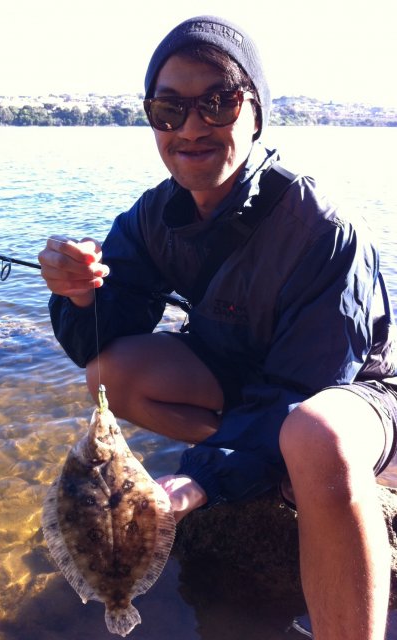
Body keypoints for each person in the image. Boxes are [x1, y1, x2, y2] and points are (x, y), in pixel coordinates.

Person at [38, 15, 397, 640]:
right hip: (245, 376)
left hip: (354, 396)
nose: (192, 125)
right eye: (168, 108)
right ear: (153, 122)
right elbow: (107, 325)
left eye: (218, 100)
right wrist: (78, 294)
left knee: (312, 438)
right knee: (110, 373)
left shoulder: (319, 226)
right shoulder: (159, 213)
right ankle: (274, 468)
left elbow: (304, 392)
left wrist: (203, 478)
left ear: (255, 112)